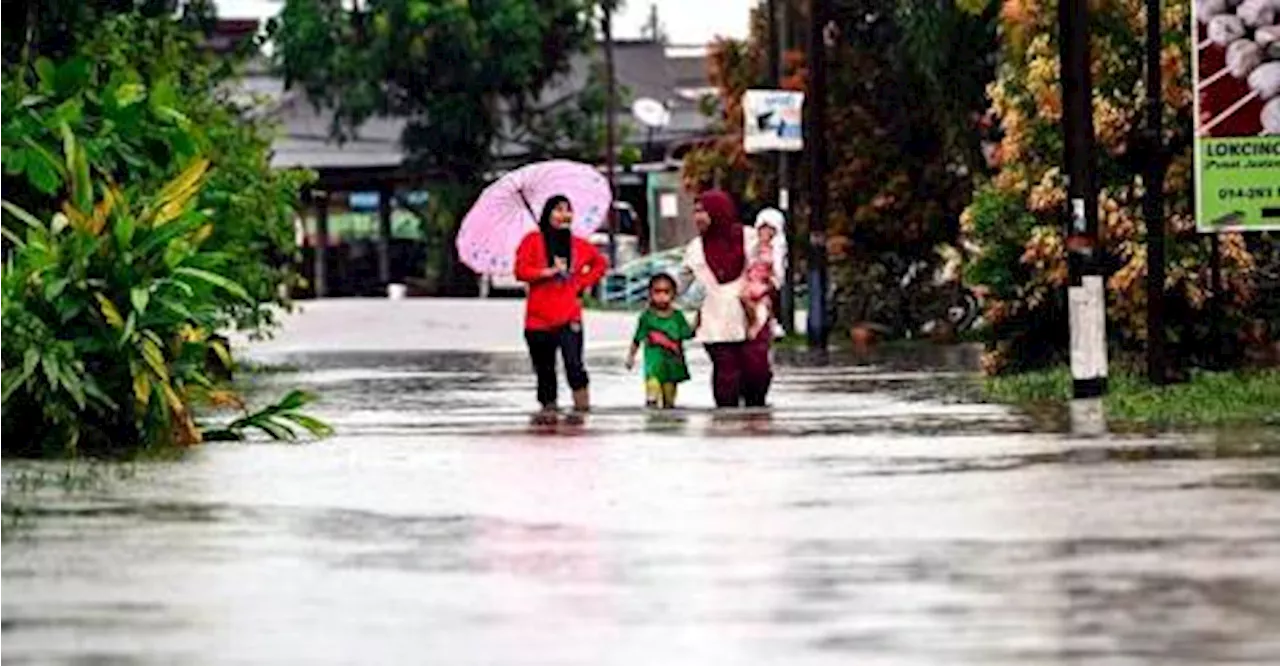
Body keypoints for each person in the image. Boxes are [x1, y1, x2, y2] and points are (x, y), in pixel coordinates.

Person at [678, 190, 775, 408]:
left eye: (703, 211)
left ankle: (756, 422)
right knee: (726, 377)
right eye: (695, 212)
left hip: (751, 317)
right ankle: (726, 428)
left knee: (756, 371)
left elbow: (768, 266)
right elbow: (680, 282)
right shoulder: (695, 249)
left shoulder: (750, 238)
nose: (698, 218)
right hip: (716, 321)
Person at [514, 195, 608, 412]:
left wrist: (579, 283)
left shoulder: (578, 245)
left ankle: (582, 411)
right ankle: (548, 415)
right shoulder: (532, 241)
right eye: (558, 209)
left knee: (575, 366)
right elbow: (520, 271)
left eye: (568, 210)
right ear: (547, 214)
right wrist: (545, 273)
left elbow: (600, 264)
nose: (564, 214)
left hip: (569, 316)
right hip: (538, 319)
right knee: (545, 372)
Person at [626, 273, 696, 409]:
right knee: (652, 392)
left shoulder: (677, 316)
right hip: (654, 367)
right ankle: (651, 414)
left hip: (672, 366)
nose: (661, 296)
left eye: (666, 292)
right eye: (657, 292)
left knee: (669, 401)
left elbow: (687, 334)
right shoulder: (646, 317)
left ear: (673, 294)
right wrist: (631, 357)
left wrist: (697, 323)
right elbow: (637, 338)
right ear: (650, 294)